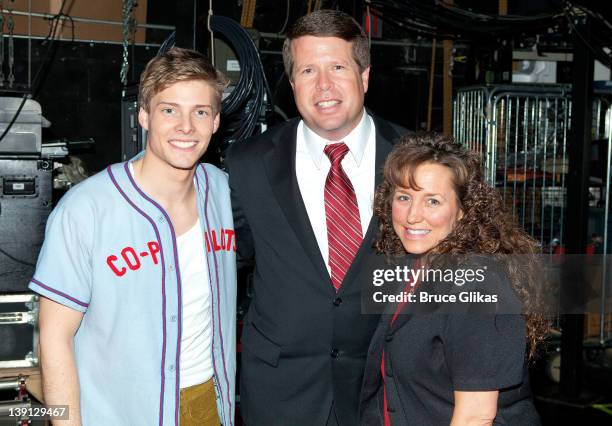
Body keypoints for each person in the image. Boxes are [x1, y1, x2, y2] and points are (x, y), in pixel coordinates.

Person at [29, 47, 236, 426]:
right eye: (169, 110)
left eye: (200, 112)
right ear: (143, 115)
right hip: (119, 413)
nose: (186, 127)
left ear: (216, 121)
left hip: (208, 402)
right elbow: (53, 339)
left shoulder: (224, 192)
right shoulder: (85, 210)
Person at [225, 9, 406, 426]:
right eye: (308, 70)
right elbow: (221, 261)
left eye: (337, 67)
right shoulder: (248, 164)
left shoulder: (416, 159)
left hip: (385, 389)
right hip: (280, 394)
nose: (323, 85)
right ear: (292, 85)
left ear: (364, 76)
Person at [359, 133, 548, 425]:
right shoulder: (413, 267)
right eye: (404, 197)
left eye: (432, 201)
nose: (412, 216)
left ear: (462, 212)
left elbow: (475, 416)